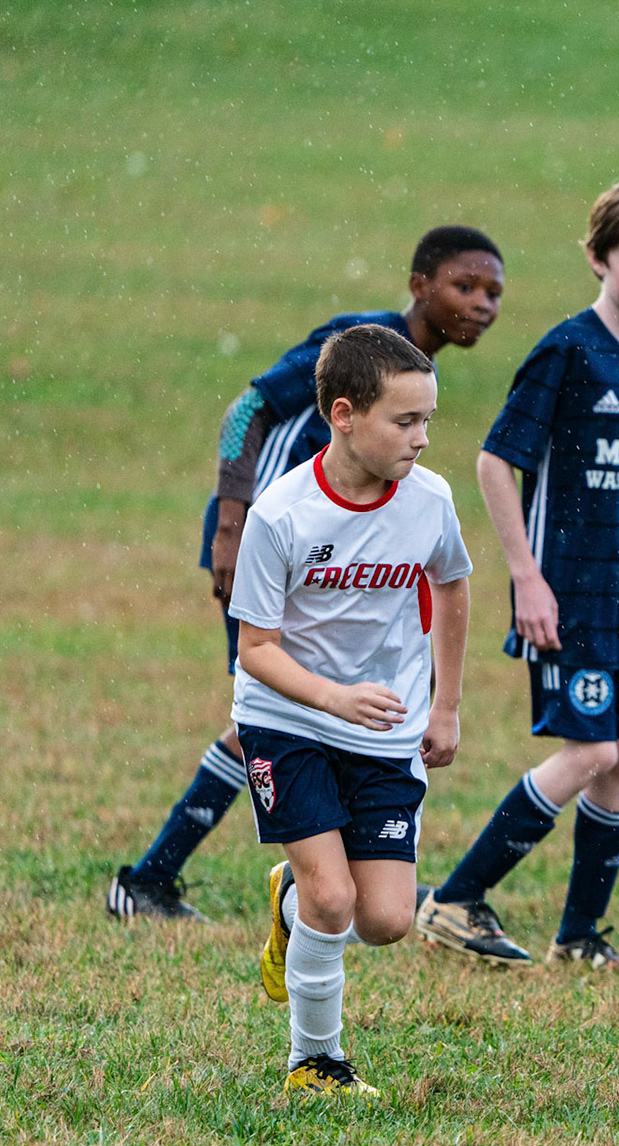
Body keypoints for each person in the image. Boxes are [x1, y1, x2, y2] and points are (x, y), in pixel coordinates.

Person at [106, 227, 503, 921]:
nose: (481, 304)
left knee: (310, 711)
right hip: (267, 541)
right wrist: (232, 521)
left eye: (493, 292)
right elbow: (247, 409)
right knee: (272, 707)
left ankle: (309, 879)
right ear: (420, 286)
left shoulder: (409, 385)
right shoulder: (357, 342)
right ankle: (154, 878)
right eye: (464, 287)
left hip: (338, 555)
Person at [415, 177, 619, 972]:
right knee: (590, 754)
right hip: (564, 591)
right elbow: (497, 462)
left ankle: (580, 937)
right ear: (598, 258)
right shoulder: (567, 349)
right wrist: (526, 578)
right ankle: (456, 899)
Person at [237, 324, 472, 1094]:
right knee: (334, 903)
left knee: (386, 920)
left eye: (428, 420)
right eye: (405, 422)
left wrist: (447, 707)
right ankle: (316, 1062)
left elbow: (455, 587)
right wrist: (334, 697)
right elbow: (257, 648)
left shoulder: (429, 502)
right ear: (343, 415)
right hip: (290, 717)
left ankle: (289, 893)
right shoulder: (282, 515)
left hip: (389, 728)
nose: (423, 439)